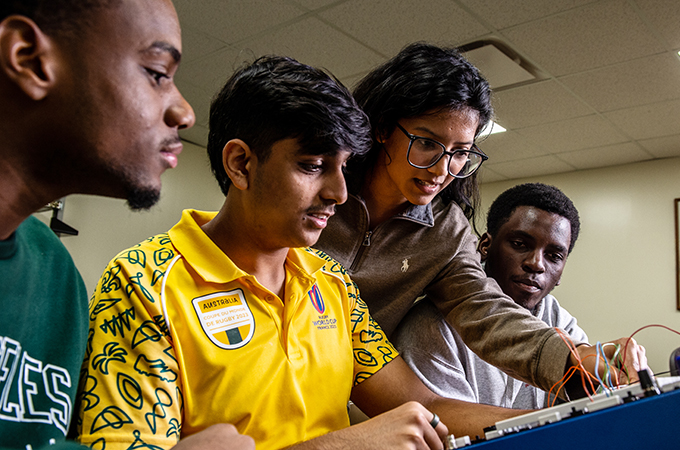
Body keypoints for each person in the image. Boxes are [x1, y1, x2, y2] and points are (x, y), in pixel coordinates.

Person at [74, 55, 527, 450]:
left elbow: (426, 404)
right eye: (312, 166)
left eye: (343, 167)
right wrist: (347, 445)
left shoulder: (330, 282)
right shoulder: (143, 283)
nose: (338, 192)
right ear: (241, 164)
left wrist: (560, 421)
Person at [314, 42, 646, 395]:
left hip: (349, 393)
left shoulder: (446, 232)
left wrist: (574, 356)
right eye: (426, 143)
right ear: (382, 128)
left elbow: (484, 311)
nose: (442, 171)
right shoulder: (317, 189)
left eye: (459, 153)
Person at [0, 1, 250, 448]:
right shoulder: (139, 279)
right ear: (30, 60)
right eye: (157, 73)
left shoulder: (56, 278)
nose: (185, 112)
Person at [393, 183, 590, 409]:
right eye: (519, 244)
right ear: (485, 246)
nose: (536, 264)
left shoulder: (559, 320)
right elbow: (448, 432)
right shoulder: (431, 326)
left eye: (553, 256)